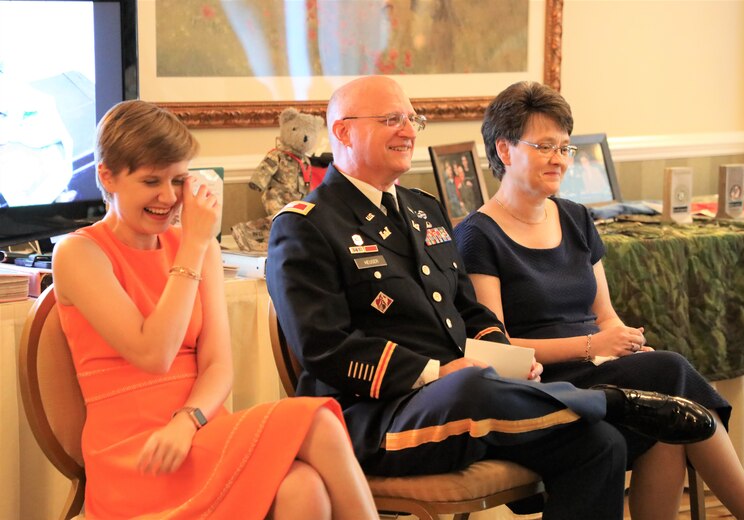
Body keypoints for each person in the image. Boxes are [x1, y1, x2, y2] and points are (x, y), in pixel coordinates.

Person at [265, 75, 716, 520]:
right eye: (391, 119)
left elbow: (468, 311)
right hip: (375, 417)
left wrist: (506, 357)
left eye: (411, 118)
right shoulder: (306, 226)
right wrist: (436, 373)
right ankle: (613, 401)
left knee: (601, 445)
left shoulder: (424, 209)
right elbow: (323, 347)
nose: (408, 131)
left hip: (468, 402)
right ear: (343, 131)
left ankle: (591, 404)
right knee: (471, 384)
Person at [453, 81, 744, 520]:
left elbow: (604, 315)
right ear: (505, 150)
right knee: (671, 371)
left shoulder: (575, 216)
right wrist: (592, 347)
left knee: (665, 424)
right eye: (545, 146)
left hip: (598, 373)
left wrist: (623, 346)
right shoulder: (477, 234)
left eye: (565, 148)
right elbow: (498, 348)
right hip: (540, 383)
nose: (560, 160)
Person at [51, 100, 379, 519]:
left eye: (178, 180)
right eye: (152, 181)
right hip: (136, 454)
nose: (168, 198)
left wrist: (186, 422)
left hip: (199, 429)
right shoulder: (79, 253)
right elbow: (154, 352)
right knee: (319, 424)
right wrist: (191, 244)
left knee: (305, 487)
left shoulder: (197, 245)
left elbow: (219, 367)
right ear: (107, 176)